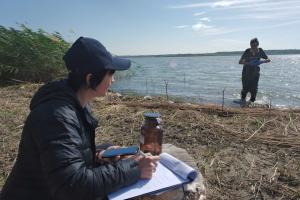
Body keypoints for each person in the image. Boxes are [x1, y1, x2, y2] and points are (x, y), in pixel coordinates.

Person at [0, 37, 159, 200]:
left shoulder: (75, 103)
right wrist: (134, 169)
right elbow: (73, 187)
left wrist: (98, 154)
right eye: (110, 72)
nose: (114, 79)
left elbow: (67, 154)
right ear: (90, 79)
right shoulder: (56, 116)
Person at [239, 38, 271, 105]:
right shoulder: (247, 51)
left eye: (255, 46)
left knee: (254, 90)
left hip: (255, 73)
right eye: (252, 46)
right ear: (250, 45)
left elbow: (268, 59)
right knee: (245, 89)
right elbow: (240, 62)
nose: (254, 47)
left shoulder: (260, 51)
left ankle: (252, 104)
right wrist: (249, 63)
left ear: (258, 45)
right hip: (246, 72)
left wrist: (262, 61)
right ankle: (242, 103)